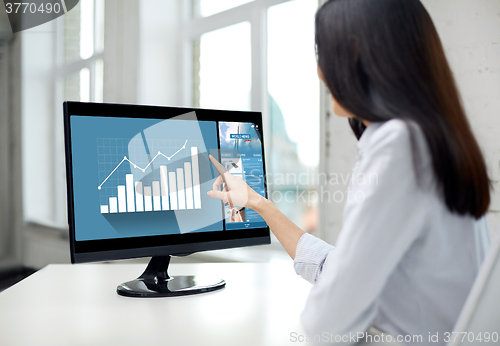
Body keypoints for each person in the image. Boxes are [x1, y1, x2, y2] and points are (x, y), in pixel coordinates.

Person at [207, 0, 492, 344]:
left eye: (324, 54)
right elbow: (342, 268)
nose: (319, 71)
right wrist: (258, 202)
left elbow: (327, 323)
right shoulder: (433, 137)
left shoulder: (399, 146)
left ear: (360, 56)